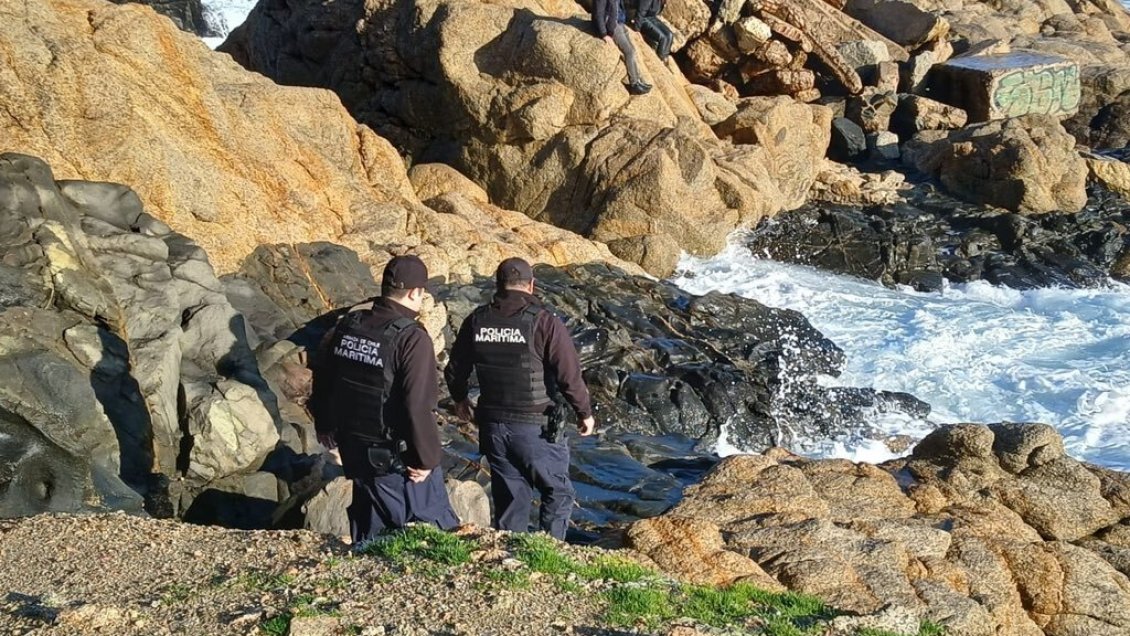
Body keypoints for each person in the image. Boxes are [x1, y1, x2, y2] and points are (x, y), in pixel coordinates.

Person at [310, 254, 458, 544]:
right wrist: (426, 458)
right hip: (395, 460)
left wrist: (324, 424)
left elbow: (325, 377)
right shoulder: (411, 338)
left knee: (369, 533)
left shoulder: (350, 324)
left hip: (354, 448)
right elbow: (418, 405)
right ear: (416, 292)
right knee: (426, 538)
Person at [444, 258, 596, 540]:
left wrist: (460, 399)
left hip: (493, 428)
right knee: (558, 492)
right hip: (535, 429)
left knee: (511, 497)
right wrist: (584, 412)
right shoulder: (544, 322)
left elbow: (455, 369)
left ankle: (511, 558)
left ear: (498, 285)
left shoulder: (477, 319)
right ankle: (549, 556)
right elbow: (569, 376)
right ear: (531, 285)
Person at [592, 0, 651, 95]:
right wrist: (603, 34)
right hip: (611, 26)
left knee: (632, 49)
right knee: (629, 51)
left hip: (619, 23)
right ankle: (634, 84)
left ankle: (639, 80)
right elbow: (598, 14)